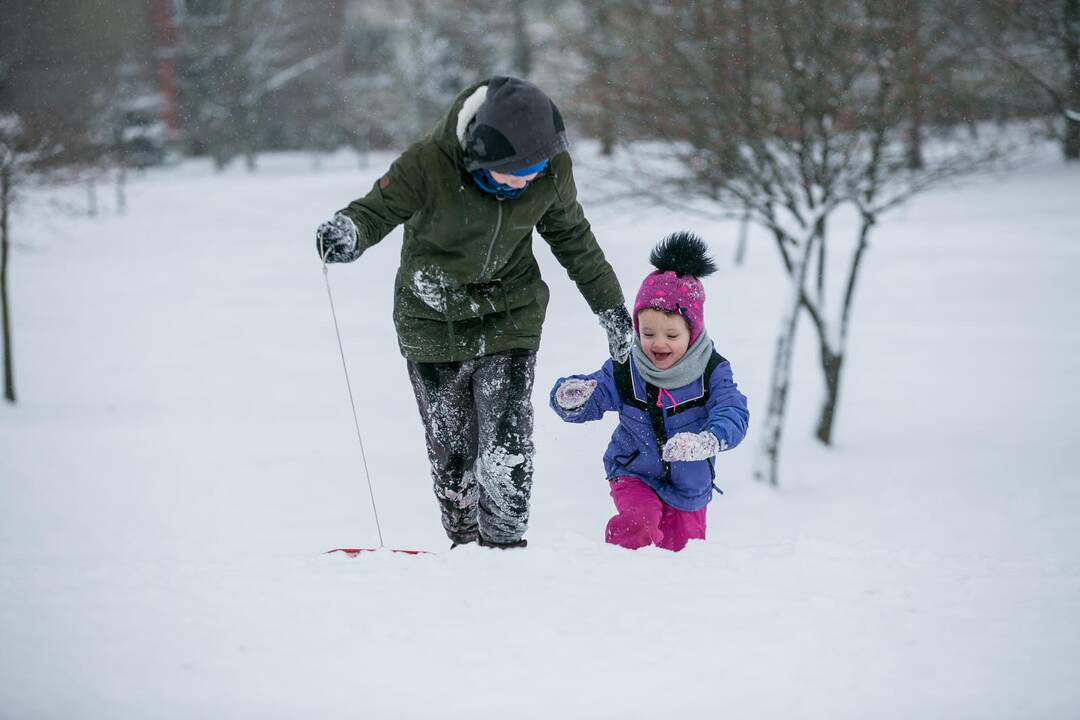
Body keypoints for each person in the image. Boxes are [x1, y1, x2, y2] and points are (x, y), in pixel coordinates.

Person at [315, 77, 632, 549]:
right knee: (453, 459)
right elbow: (377, 210)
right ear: (479, 154)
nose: (526, 180)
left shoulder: (551, 170)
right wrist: (350, 231)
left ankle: (504, 550)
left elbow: (573, 239)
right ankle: (466, 550)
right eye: (513, 172)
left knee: (507, 449)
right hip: (432, 322)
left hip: (510, 314)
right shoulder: (429, 164)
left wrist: (611, 308)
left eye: (536, 168)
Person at [549, 232, 749, 552]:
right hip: (633, 473)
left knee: (684, 557)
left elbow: (734, 411)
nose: (658, 343)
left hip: (690, 487)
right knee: (638, 526)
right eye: (648, 332)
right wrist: (570, 397)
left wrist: (707, 440)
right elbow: (596, 393)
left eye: (671, 334)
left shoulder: (711, 371)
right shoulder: (627, 367)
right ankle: (618, 573)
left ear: (693, 332)